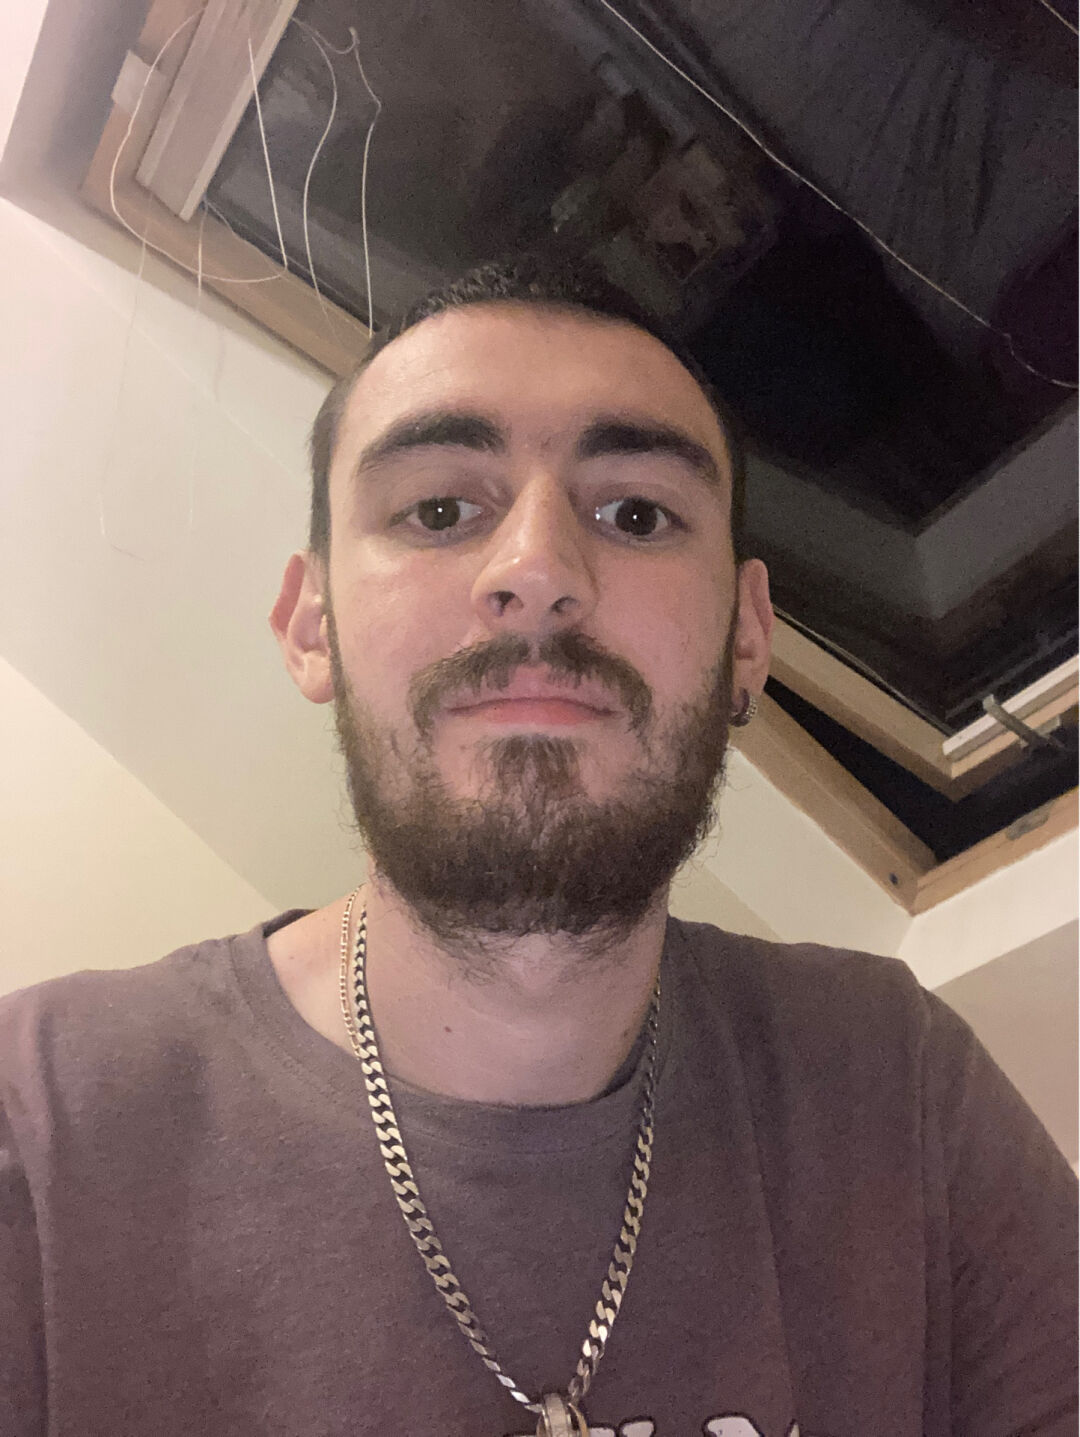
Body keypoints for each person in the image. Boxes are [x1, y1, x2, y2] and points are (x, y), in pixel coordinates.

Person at [0, 257, 1075, 1437]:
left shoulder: (897, 1085)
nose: (539, 572)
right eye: (439, 512)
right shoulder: (40, 1128)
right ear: (312, 628)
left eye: (637, 516)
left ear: (747, 636)